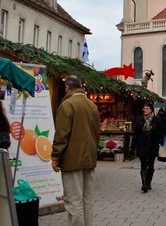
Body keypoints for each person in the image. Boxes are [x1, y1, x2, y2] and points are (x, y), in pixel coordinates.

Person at [51, 76, 100, 226]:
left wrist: (55, 156)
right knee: (88, 200)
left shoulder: (67, 104)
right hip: (89, 159)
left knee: (74, 201)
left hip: (72, 160)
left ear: (67, 88)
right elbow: (97, 134)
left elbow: (61, 134)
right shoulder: (92, 106)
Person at [132, 103, 164, 193]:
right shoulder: (140, 120)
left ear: (151, 110)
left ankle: (148, 182)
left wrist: (153, 132)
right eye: (144, 108)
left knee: (150, 164)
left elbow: (162, 133)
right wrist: (133, 146)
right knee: (143, 164)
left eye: (147, 108)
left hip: (152, 145)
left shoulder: (157, 120)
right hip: (142, 145)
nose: (145, 109)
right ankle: (144, 184)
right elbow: (136, 134)